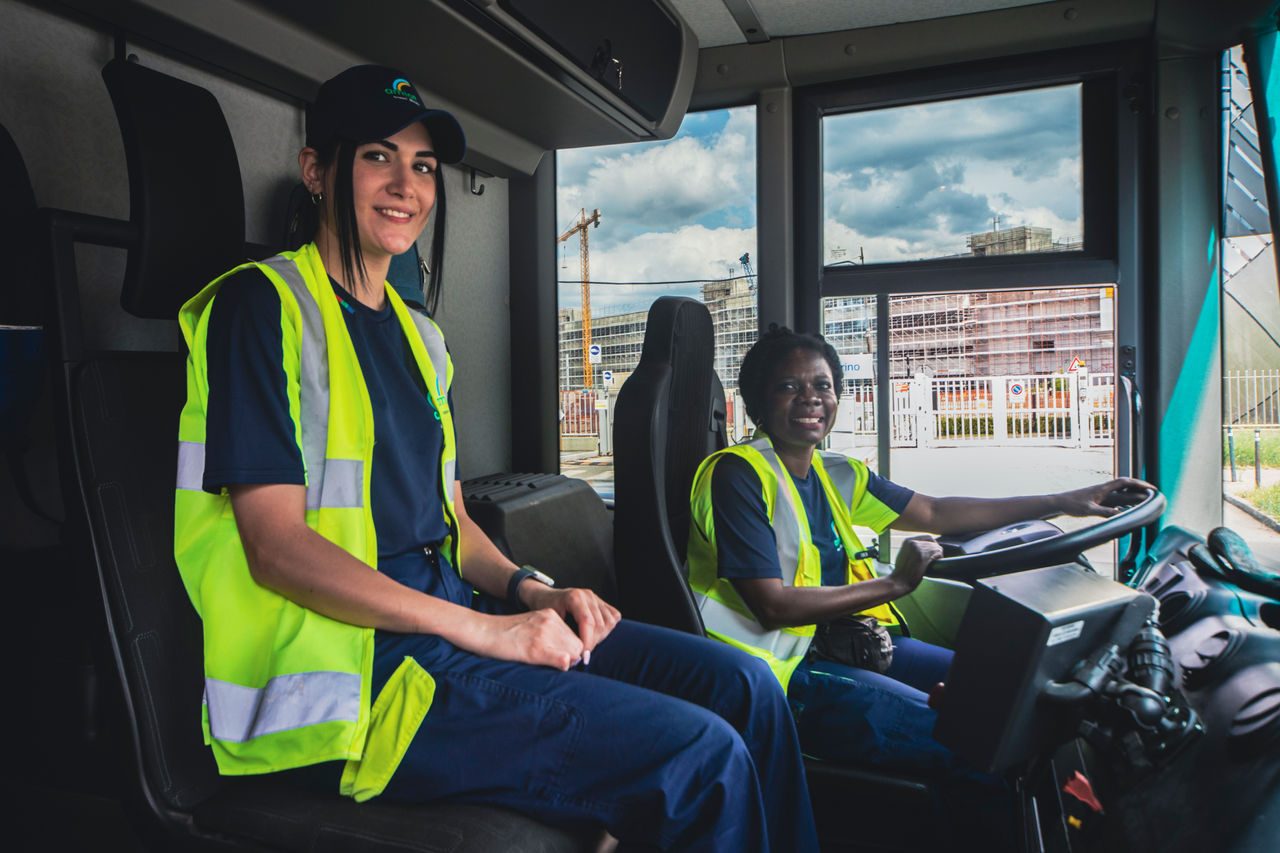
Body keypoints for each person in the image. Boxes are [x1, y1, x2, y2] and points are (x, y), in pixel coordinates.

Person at [173, 65, 818, 852]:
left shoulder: (421, 338)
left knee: (746, 685)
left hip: (446, 632)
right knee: (702, 755)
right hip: (351, 683)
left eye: (422, 166)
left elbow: (454, 522)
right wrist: (486, 633)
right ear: (317, 171)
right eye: (377, 156)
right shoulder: (259, 306)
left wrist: (531, 589)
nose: (404, 184)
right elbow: (275, 548)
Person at [686, 325, 1149, 838]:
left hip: (846, 644)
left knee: (1012, 701)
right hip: (780, 678)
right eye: (788, 387)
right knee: (980, 746)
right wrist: (895, 584)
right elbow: (771, 606)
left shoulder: (834, 472)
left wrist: (1063, 500)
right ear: (755, 402)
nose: (810, 399)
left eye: (822, 385)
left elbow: (934, 510)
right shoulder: (736, 475)